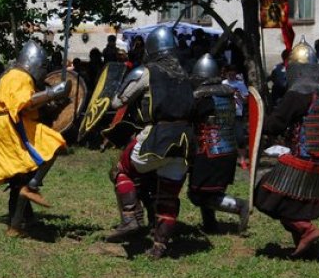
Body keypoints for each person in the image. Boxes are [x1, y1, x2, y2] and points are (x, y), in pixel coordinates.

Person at [104, 26, 194, 259]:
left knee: (121, 169)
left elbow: (117, 102)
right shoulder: (186, 74)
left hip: (158, 137)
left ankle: (129, 218)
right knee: (168, 195)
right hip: (185, 142)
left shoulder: (148, 72)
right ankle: (159, 246)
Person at [254, 38, 319, 258]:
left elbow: (275, 124)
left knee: (265, 194)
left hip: (303, 160)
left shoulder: (298, 93)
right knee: (298, 203)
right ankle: (307, 246)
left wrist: (262, 118)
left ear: (295, 71)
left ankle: (306, 230)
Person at [0, 40, 70, 238]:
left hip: (8, 124)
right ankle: (32, 187)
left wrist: (56, 101)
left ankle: (15, 226)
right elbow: (23, 104)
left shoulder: (18, 77)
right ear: (34, 63)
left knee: (20, 179)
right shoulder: (19, 76)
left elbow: (32, 107)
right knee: (54, 143)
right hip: (8, 125)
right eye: (42, 67)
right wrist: (52, 93)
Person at [187, 54, 249, 233]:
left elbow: (193, 117)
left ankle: (239, 206)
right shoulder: (227, 92)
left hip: (210, 151)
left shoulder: (202, 96)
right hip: (227, 150)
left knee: (198, 194)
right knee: (208, 191)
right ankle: (210, 225)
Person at [222, 64, 249, 169]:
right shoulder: (223, 84)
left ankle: (242, 160)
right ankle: (227, 159)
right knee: (226, 137)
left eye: (234, 73)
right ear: (227, 73)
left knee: (240, 137)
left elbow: (246, 100)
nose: (232, 75)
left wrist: (239, 96)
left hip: (237, 112)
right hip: (226, 112)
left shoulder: (240, 84)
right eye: (230, 72)